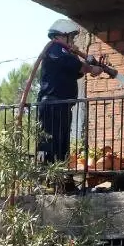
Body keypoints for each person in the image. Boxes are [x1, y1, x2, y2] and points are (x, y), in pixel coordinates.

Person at [37, 19, 103, 164]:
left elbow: (77, 69)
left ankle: (61, 177)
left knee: (62, 143)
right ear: (61, 36)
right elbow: (74, 64)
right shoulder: (54, 48)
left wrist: (88, 65)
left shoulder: (65, 54)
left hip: (63, 106)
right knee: (49, 143)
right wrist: (92, 69)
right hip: (52, 104)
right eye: (71, 37)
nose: (72, 41)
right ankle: (45, 176)